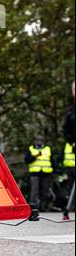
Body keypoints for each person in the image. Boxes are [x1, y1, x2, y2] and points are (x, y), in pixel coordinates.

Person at [25, 135, 55, 212]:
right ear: (35, 141)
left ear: (43, 141)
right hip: (35, 173)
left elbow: (52, 161)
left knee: (45, 191)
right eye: (37, 140)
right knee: (34, 191)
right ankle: (33, 208)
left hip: (46, 173)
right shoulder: (31, 149)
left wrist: (54, 171)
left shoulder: (47, 149)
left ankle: (43, 207)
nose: (39, 142)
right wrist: (36, 156)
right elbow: (27, 160)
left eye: (41, 140)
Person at [62, 80, 75, 220]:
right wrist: (72, 142)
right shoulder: (70, 113)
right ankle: (69, 210)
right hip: (73, 151)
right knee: (72, 183)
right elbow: (65, 131)